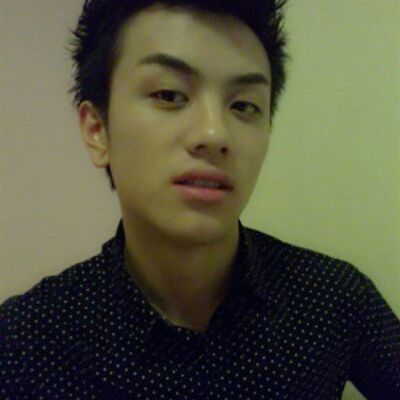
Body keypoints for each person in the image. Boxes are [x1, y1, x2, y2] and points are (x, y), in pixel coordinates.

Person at [1, 0, 399, 398]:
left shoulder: (334, 300)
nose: (214, 134)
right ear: (97, 130)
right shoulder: (24, 343)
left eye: (243, 105)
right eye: (169, 94)